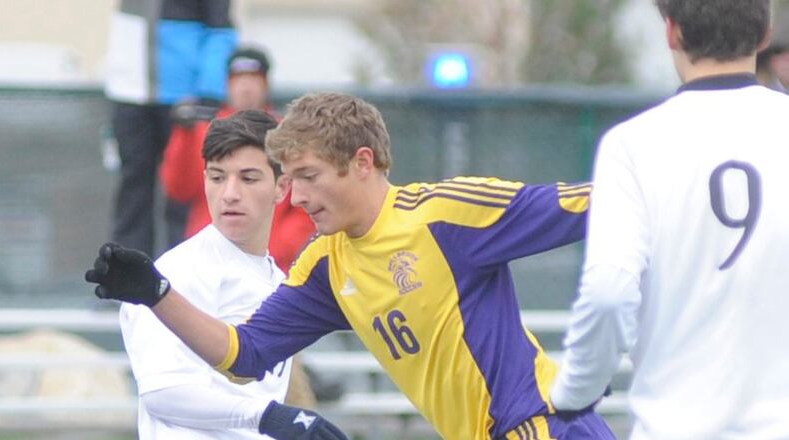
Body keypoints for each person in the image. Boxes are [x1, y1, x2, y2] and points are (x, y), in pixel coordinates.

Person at [86, 92, 615, 439]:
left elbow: (597, 206)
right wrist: (157, 292)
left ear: (362, 163)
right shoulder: (325, 264)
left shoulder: (444, 215)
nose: (296, 197)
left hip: (543, 425)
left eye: (308, 176)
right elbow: (245, 356)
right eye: (290, 179)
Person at [549, 1, 789, 438]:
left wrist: (574, 392)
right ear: (765, 34)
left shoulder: (631, 145)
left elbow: (608, 294)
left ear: (672, 33)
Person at [118, 110, 347, 440]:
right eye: (217, 177)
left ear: (282, 188)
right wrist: (267, 416)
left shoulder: (277, 279)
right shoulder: (177, 272)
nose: (229, 193)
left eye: (249, 178)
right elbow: (163, 393)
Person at [160, 46, 315, 272]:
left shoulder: (288, 135)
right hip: (209, 260)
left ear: (266, 84)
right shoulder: (203, 131)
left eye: (253, 79)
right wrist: (183, 135)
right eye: (238, 79)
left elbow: (306, 203)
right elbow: (178, 189)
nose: (245, 87)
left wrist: (275, 246)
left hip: (271, 261)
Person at [104, 0, 237, 256]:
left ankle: (184, 277)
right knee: (132, 188)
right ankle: (125, 277)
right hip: (129, 91)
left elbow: (221, 30)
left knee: (183, 192)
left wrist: (209, 93)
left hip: (184, 99)